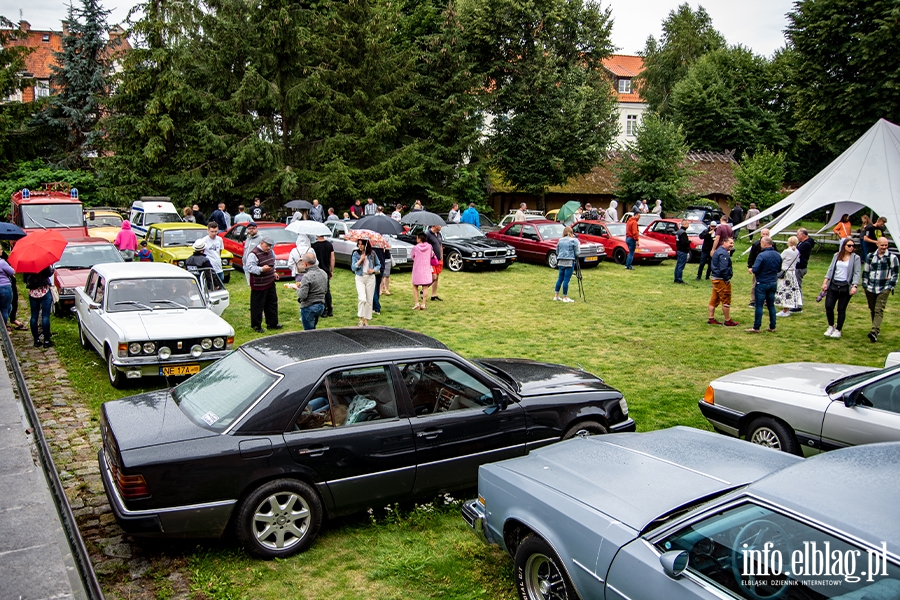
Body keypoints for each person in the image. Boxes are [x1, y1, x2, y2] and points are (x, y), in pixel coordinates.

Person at [821, 237, 861, 339]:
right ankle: (831, 326)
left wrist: (854, 286)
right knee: (829, 306)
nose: (851, 248)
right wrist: (825, 282)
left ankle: (838, 329)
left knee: (841, 309)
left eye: (853, 246)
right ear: (844, 246)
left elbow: (857, 273)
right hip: (834, 284)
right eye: (849, 245)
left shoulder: (855, 258)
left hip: (845, 286)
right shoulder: (837, 255)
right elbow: (830, 269)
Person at [862, 236, 898, 343]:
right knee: (872, 308)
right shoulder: (870, 256)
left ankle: (874, 331)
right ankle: (876, 328)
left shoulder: (892, 258)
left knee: (879, 309)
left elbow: (895, 274)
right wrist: (865, 284)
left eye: (886, 245)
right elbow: (866, 271)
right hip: (871, 287)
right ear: (877, 244)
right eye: (882, 245)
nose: (884, 247)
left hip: (884, 287)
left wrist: (889, 286)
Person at [245, 236, 282, 333]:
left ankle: (272, 323)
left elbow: (272, 263)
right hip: (259, 284)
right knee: (257, 306)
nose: (269, 248)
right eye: (267, 245)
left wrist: (274, 272)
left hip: (270, 282)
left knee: (272, 303)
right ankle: (256, 326)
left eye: (270, 246)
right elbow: (249, 267)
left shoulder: (271, 252)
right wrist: (261, 269)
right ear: (261, 243)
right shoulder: (253, 254)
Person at [748, 236, 781, 333]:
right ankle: (772, 326)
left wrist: (752, 270)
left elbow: (756, 269)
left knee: (759, 305)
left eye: (761, 243)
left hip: (762, 282)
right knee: (771, 305)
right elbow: (779, 269)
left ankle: (756, 327)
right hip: (773, 282)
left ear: (765, 244)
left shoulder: (761, 256)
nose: (760, 244)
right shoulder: (778, 255)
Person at [708, 237, 738, 326]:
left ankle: (711, 318)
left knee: (714, 299)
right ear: (724, 242)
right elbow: (723, 268)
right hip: (721, 279)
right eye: (730, 243)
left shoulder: (718, 251)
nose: (732, 245)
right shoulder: (723, 253)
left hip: (715, 278)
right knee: (726, 300)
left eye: (733, 243)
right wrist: (727, 278)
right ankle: (728, 320)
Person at [351, 239, 380, 326]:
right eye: (358, 244)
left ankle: (366, 321)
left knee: (369, 300)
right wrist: (360, 260)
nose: (360, 246)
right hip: (360, 277)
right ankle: (360, 319)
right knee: (362, 298)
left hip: (370, 278)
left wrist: (373, 270)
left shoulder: (372, 254)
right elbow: (353, 267)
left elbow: (379, 265)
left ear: (366, 245)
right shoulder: (356, 254)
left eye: (362, 244)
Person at [296, 252, 328, 330]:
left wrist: (297, 289)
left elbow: (303, 295)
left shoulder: (306, 277)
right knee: (313, 331)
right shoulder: (323, 273)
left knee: (309, 333)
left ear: (305, 264)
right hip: (321, 306)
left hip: (309, 307)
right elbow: (325, 290)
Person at [24, 266, 54, 347]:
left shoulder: (27, 264)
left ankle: (36, 340)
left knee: (34, 316)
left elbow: (25, 279)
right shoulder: (44, 263)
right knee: (45, 316)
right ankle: (46, 341)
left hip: (33, 292)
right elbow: (49, 273)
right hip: (44, 290)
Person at [775, 236, 803, 317]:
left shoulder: (787, 251)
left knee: (785, 290)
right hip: (792, 273)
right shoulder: (797, 251)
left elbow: (779, 259)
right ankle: (788, 307)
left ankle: (785, 309)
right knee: (791, 290)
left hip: (786, 273)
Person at [310, 233, 335, 317]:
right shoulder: (329, 244)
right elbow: (332, 258)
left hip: (318, 270)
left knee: (320, 290)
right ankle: (330, 309)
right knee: (327, 290)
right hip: (326, 270)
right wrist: (332, 270)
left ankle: (323, 310)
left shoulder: (313, 246)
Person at [553, 227, 579, 302]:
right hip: (569, 262)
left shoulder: (560, 240)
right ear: (571, 232)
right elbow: (577, 253)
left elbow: (557, 251)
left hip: (561, 261)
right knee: (566, 279)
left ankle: (556, 296)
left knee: (560, 278)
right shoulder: (574, 240)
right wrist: (578, 249)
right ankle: (565, 297)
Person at [745, 227, 770, 306]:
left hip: (767, 268)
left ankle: (766, 300)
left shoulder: (772, 244)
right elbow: (751, 256)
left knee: (767, 285)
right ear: (761, 234)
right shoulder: (756, 244)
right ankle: (753, 300)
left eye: (766, 234)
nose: (765, 235)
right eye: (763, 234)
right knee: (755, 284)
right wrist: (750, 266)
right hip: (758, 268)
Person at [410, 232, 435, 310]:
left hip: (417, 269)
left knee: (415, 286)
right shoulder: (429, 246)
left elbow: (412, 256)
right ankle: (423, 304)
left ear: (419, 239)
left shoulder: (415, 248)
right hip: (426, 269)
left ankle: (417, 303)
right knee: (425, 287)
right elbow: (431, 255)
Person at [793, 228, 814, 313]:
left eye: (798, 234)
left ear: (803, 235)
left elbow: (796, 252)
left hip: (800, 267)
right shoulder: (803, 243)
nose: (797, 236)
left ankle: (798, 305)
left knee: (797, 286)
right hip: (799, 266)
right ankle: (795, 303)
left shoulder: (806, 244)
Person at [426, 224, 443, 301]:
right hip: (431, 259)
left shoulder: (439, 234)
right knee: (434, 277)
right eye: (440, 225)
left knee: (437, 278)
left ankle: (434, 295)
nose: (441, 227)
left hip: (438, 259)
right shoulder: (427, 234)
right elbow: (424, 246)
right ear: (435, 225)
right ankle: (424, 290)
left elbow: (440, 245)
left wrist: (441, 257)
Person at [673, 220, 691, 284]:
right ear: (684, 224)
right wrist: (689, 241)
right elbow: (684, 243)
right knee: (681, 265)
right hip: (683, 250)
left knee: (678, 265)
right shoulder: (683, 233)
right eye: (688, 224)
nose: (688, 225)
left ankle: (676, 278)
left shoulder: (678, 232)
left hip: (679, 250)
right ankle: (679, 279)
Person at [0, 255, 15, 327]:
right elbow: (12, 272)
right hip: (4, 287)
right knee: (4, 309)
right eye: (0, 249)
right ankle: (3, 330)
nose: (1, 251)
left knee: (9, 307)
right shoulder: (2, 262)